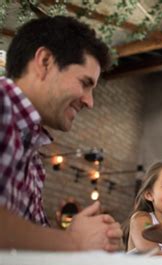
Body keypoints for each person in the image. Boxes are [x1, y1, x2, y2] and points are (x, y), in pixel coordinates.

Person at [0, 16, 122, 251]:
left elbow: (30, 249)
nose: (90, 101)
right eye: (85, 83)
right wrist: (73, 242)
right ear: (45, 61)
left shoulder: (32, 156)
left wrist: (93, 237)